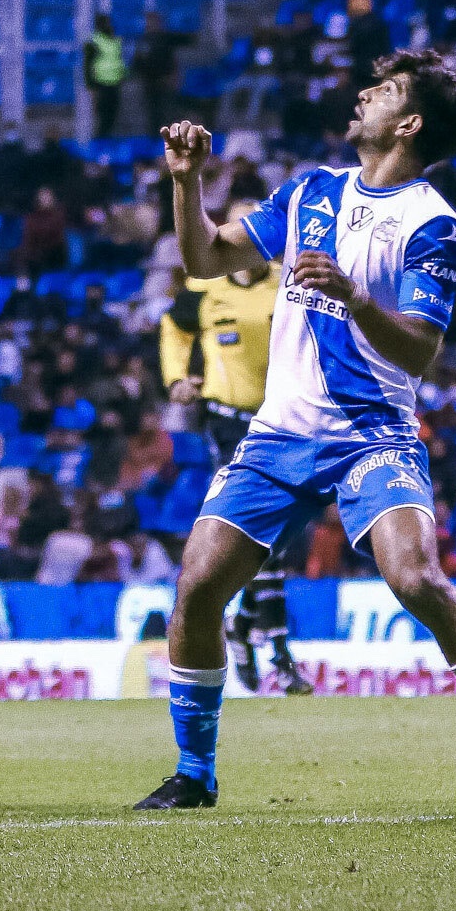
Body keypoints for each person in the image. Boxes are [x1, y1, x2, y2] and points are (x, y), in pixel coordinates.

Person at [135, 48, 456, 811]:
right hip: (279, 432)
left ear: (410, 122)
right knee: (196, 587)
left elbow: (420, 346)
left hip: (371, 432)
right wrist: (186, 180)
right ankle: (196, 774)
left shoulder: (433, 223)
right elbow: (203, 257)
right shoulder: (309, 192)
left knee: (416, 576)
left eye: (384, 90)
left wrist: (355, 296)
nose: (364, 94)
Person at [157, 202, 308, 696]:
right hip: (225, 419)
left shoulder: (288, 282)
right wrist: (177, 377)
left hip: (284, 420)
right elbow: (173, 328)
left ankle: (244, 626)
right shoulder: (204, 288)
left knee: (274, 537)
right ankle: (280, 654)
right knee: (260, 528)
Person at [84, 13, 125, 136]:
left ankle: (107, 140)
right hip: (101, 84)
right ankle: (100, 141)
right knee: (103, 117)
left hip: (115, 83)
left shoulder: (115, 41)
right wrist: (91, 86)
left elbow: (118, 60)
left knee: (113, 116)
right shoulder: (93, 42)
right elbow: (88, 65)